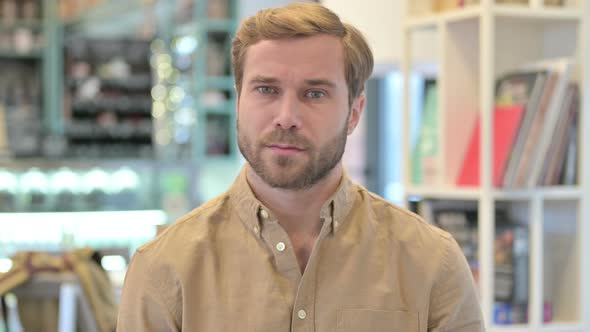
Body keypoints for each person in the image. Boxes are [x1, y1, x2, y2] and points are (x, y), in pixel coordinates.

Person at [117, 2, 485, 331]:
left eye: (315, 93)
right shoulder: (164, 270)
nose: (287, 117)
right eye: (266, 89)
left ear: (354, 112)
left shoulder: (431, 262)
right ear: (239, 100)